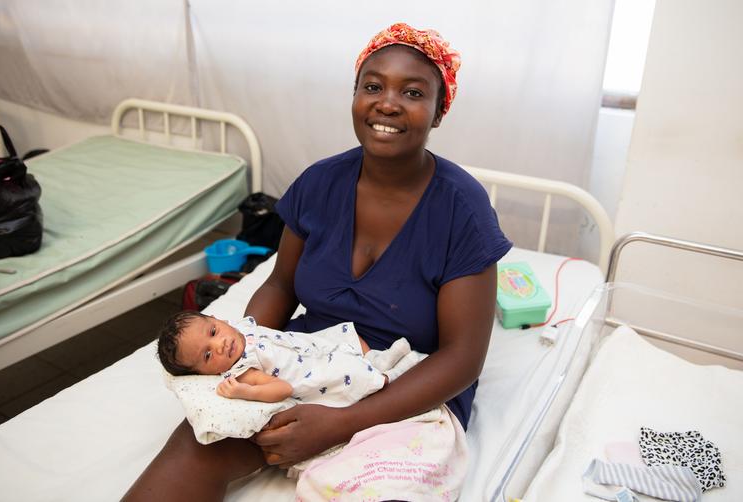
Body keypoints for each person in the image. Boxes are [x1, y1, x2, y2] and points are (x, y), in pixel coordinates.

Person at [124, 22, 511, 501]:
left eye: (412, 92)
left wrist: (342, 424)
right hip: (307, 366)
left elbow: (462, 359)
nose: (387, 103)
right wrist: (244, 359)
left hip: (408, 389)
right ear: (354, 96)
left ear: (437, 113)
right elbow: (281, 286)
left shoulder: (462, 210)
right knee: (194, 445)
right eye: (373, 86)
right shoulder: (319, 183)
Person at [156, 311, 423, 404]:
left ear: (217, 319)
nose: (220, 344)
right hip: (314, 374)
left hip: (313, 348)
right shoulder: (243, 370)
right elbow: (282, 389)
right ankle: (392, 375)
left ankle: (380, 359)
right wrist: (246, 392)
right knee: (352, 375)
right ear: (205, 373)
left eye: (213, 332)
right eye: (207, 355)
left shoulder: (241, 328)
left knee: (347, 339)